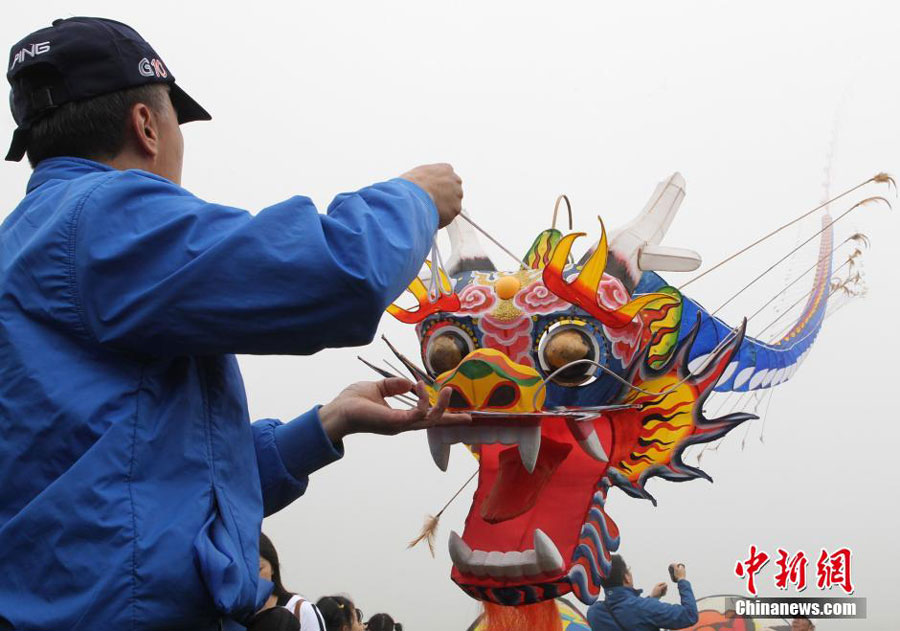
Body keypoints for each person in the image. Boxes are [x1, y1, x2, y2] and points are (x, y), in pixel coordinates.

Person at [0, 16, 470, 631]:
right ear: (146, 125)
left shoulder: (24, 249)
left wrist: (327, 423)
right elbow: (338, 275)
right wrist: (413, 198)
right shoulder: (102, 220)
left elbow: (137, 485)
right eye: (174, 120)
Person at [586, 555, 698, 631]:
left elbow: (630, 613)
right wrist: (682, 580)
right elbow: (689, 615)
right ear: (626, 578)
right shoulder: (645, 608)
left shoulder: (594, 613)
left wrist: (652, 597)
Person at [254, 533, 325, 631]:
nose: (253, 577)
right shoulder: (236, 613)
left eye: (259, 569)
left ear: (273, 568)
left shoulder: (301, 609)